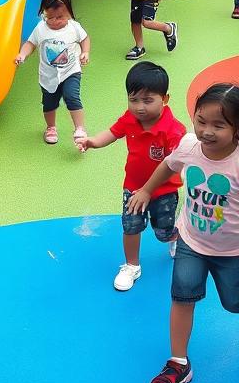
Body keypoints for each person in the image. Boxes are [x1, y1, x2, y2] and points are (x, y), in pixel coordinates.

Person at [127, 83, 239, 383]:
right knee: (182, 296)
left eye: (218, 125)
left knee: (234, 303)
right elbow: (168, 165)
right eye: (201, 121)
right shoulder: (188, 145)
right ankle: (178, 363)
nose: (206, 131)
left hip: (232, 250)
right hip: (191, 241)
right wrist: (145, 189)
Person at [76, 61, 185, 291]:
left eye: (148, 100)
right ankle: (131, 265)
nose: (139, 107)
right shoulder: (130, 119)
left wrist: (151, 189)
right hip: (134, 188)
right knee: (131, 226)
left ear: (165, 99)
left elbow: (174, 165)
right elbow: (113, 132)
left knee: (162, 231)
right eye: (133, 100)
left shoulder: (174, 130)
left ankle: (175, 237)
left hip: (164, 191)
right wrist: (93, 141)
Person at [15, 0, 90, 146]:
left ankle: (80, 128)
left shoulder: (74, 27)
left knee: (72, 97)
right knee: (49, 103)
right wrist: (22, 54)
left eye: (60, 17)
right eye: (50, 17)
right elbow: (30, 44)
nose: (55, 21)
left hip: (71, 71)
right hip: (48, 75)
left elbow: (85, 39)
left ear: (69, 13)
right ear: (44, 13)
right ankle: (51, 127)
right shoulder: (41, 28)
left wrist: (85, 52)